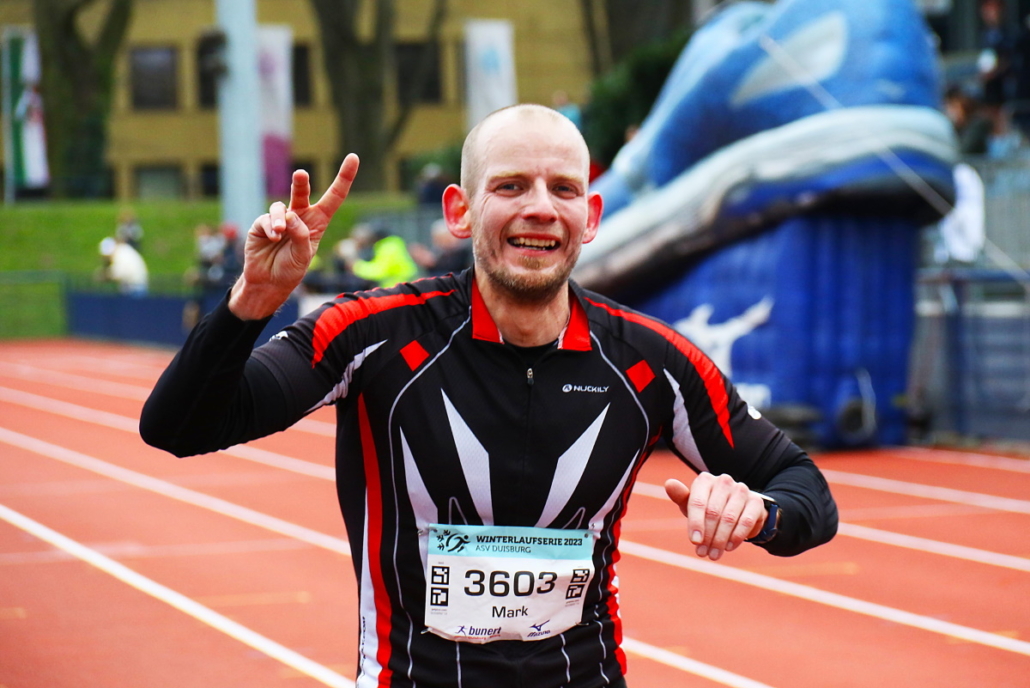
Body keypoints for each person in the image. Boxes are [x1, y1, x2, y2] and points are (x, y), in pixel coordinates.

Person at [141, 104, 837, 688]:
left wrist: (761, 513)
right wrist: (252, 300)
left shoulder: (650, 362)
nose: (541, 208)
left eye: (563, 189)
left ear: (591, 215)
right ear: (461, 210)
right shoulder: (371, 334)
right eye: (511, 185)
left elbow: (804, 489)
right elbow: (178, 427)